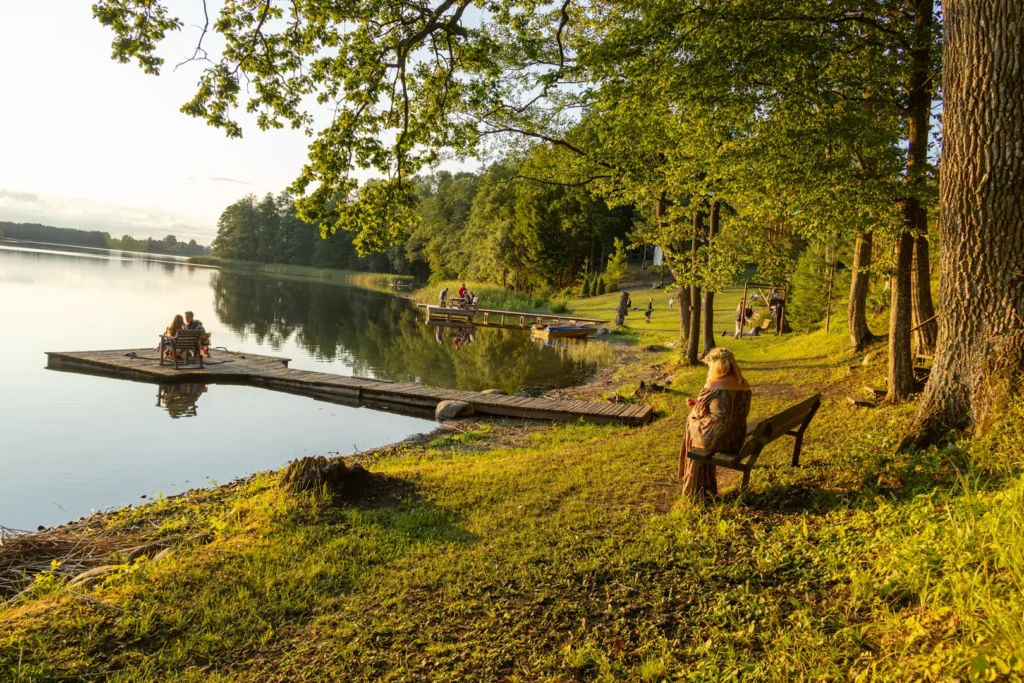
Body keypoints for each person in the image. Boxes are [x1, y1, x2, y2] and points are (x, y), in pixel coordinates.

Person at [679, 347, 752, 497]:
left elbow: (700, 413)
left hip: (713, 440)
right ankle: (701, 481)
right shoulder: (743, 383)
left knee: (691, 419)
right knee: (695, 419)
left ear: (716, 366)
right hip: (735, 438)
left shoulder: (713, 385)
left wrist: (694, 409)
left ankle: (693, 480)